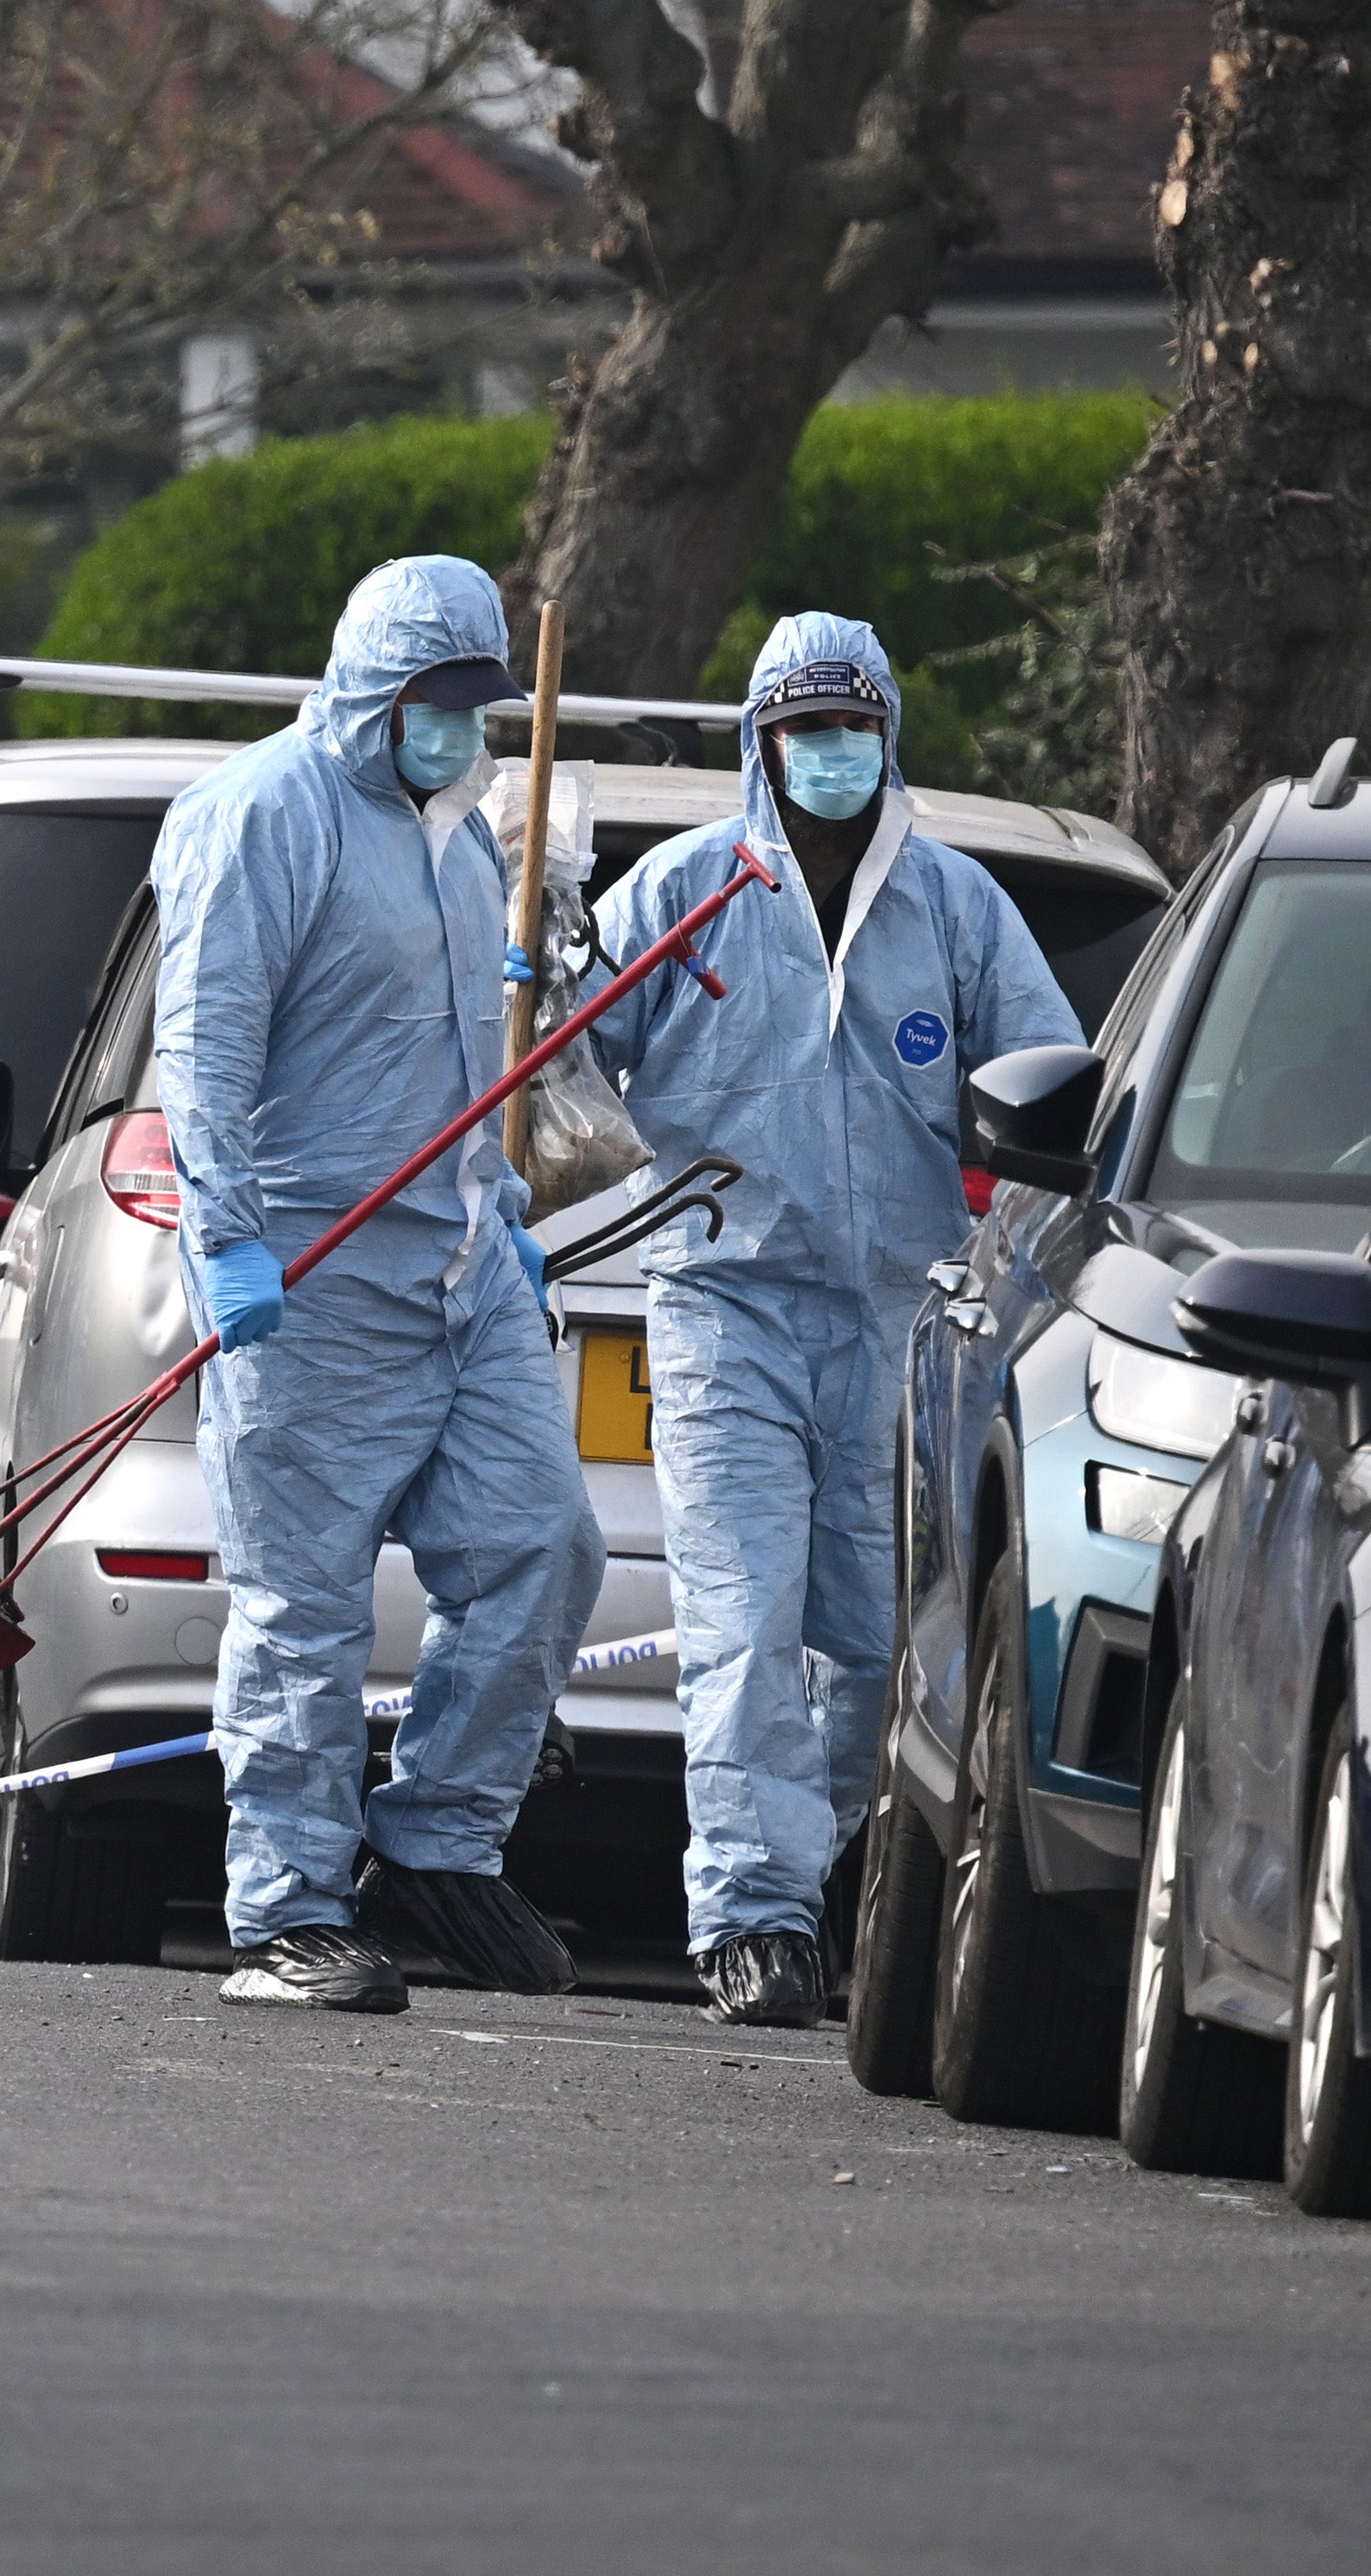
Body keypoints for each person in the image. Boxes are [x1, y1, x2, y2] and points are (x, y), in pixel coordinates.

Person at [584, 616, 1077, 2026]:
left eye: (854, 727)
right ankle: (750, 1914)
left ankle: (850, 1878)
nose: (833, 754)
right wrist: (532, 1012)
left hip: (901, 1325)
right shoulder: (684, 894)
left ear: (889, 734)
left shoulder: (957, 908)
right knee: (742, 1617)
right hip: (724, 1307)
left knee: (876, 1638)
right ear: (762, 743)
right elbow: (557, 1064)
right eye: (806, 731)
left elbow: (1050, 1081)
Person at [153, 556, 606, 2013]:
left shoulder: (462, 835)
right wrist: (225, 1240)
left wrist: (508, 1217)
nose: (459, 724)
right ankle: (282, 1909)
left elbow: (473, 1059)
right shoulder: (258, 819)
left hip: (462, 1267)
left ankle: (435, 1843)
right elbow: (207, 1051)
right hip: (314, 1266)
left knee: (545, 1548)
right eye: (436, 698)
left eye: (480, 700)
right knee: (306, 1604)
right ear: (371, 688)